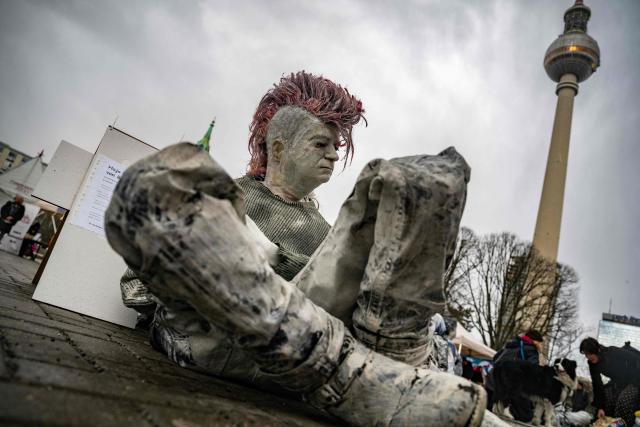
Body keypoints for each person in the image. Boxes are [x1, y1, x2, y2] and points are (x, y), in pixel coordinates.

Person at [106, 71, 507, 426]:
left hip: (345, 348)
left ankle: (394, 366)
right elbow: (139, 289)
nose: (335, 153)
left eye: (337, 144)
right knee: (158, 187)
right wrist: (241, 259)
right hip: (225, 339)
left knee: (421, 182)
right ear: (277, 148)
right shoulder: (226, 198)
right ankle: (360, 379)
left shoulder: (326, 230)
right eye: (321, 142)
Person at [580, 337, 640, 426]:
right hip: (620, 382)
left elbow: (636, 358)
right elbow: (597, 384)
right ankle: (610, 424)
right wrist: (600, 407)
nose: (588, 357)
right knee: (607, 398)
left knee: (624, 400)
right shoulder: (592, 363)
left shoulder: (612, 351)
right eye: (585, 354)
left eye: (589, 353)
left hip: (636, 377)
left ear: (597, 350)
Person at [486, 329, 544, 421]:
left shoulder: (510, 345)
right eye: (540, 343)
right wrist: (540, 353)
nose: (541, 345)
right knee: (527, 416)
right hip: (507, 389)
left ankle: (499, 406)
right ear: (535, 341)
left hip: (491, 384)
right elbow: (533, 370)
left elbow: (495, 358)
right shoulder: (531, 350)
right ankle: (505, 409)